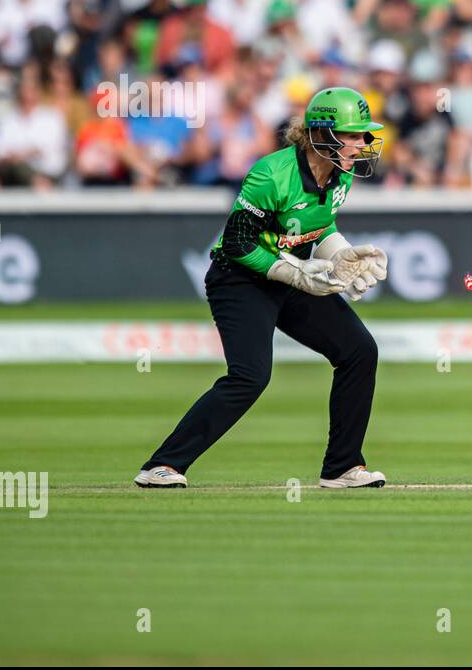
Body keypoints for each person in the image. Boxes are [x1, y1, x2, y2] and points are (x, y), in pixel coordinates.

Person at [134, 87, 390, 490]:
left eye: (364, 135)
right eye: (353, 135)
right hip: (238, 279)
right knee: (250, 376)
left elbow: (318, 226)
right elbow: (237, 244)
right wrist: (295, 275)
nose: (363, 144)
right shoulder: (271, 174)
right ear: (321, 135)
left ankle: (342, 466)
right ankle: (163, 464)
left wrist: (340, 254)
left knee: (359, 351)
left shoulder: (340, 174)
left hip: (288, 275)